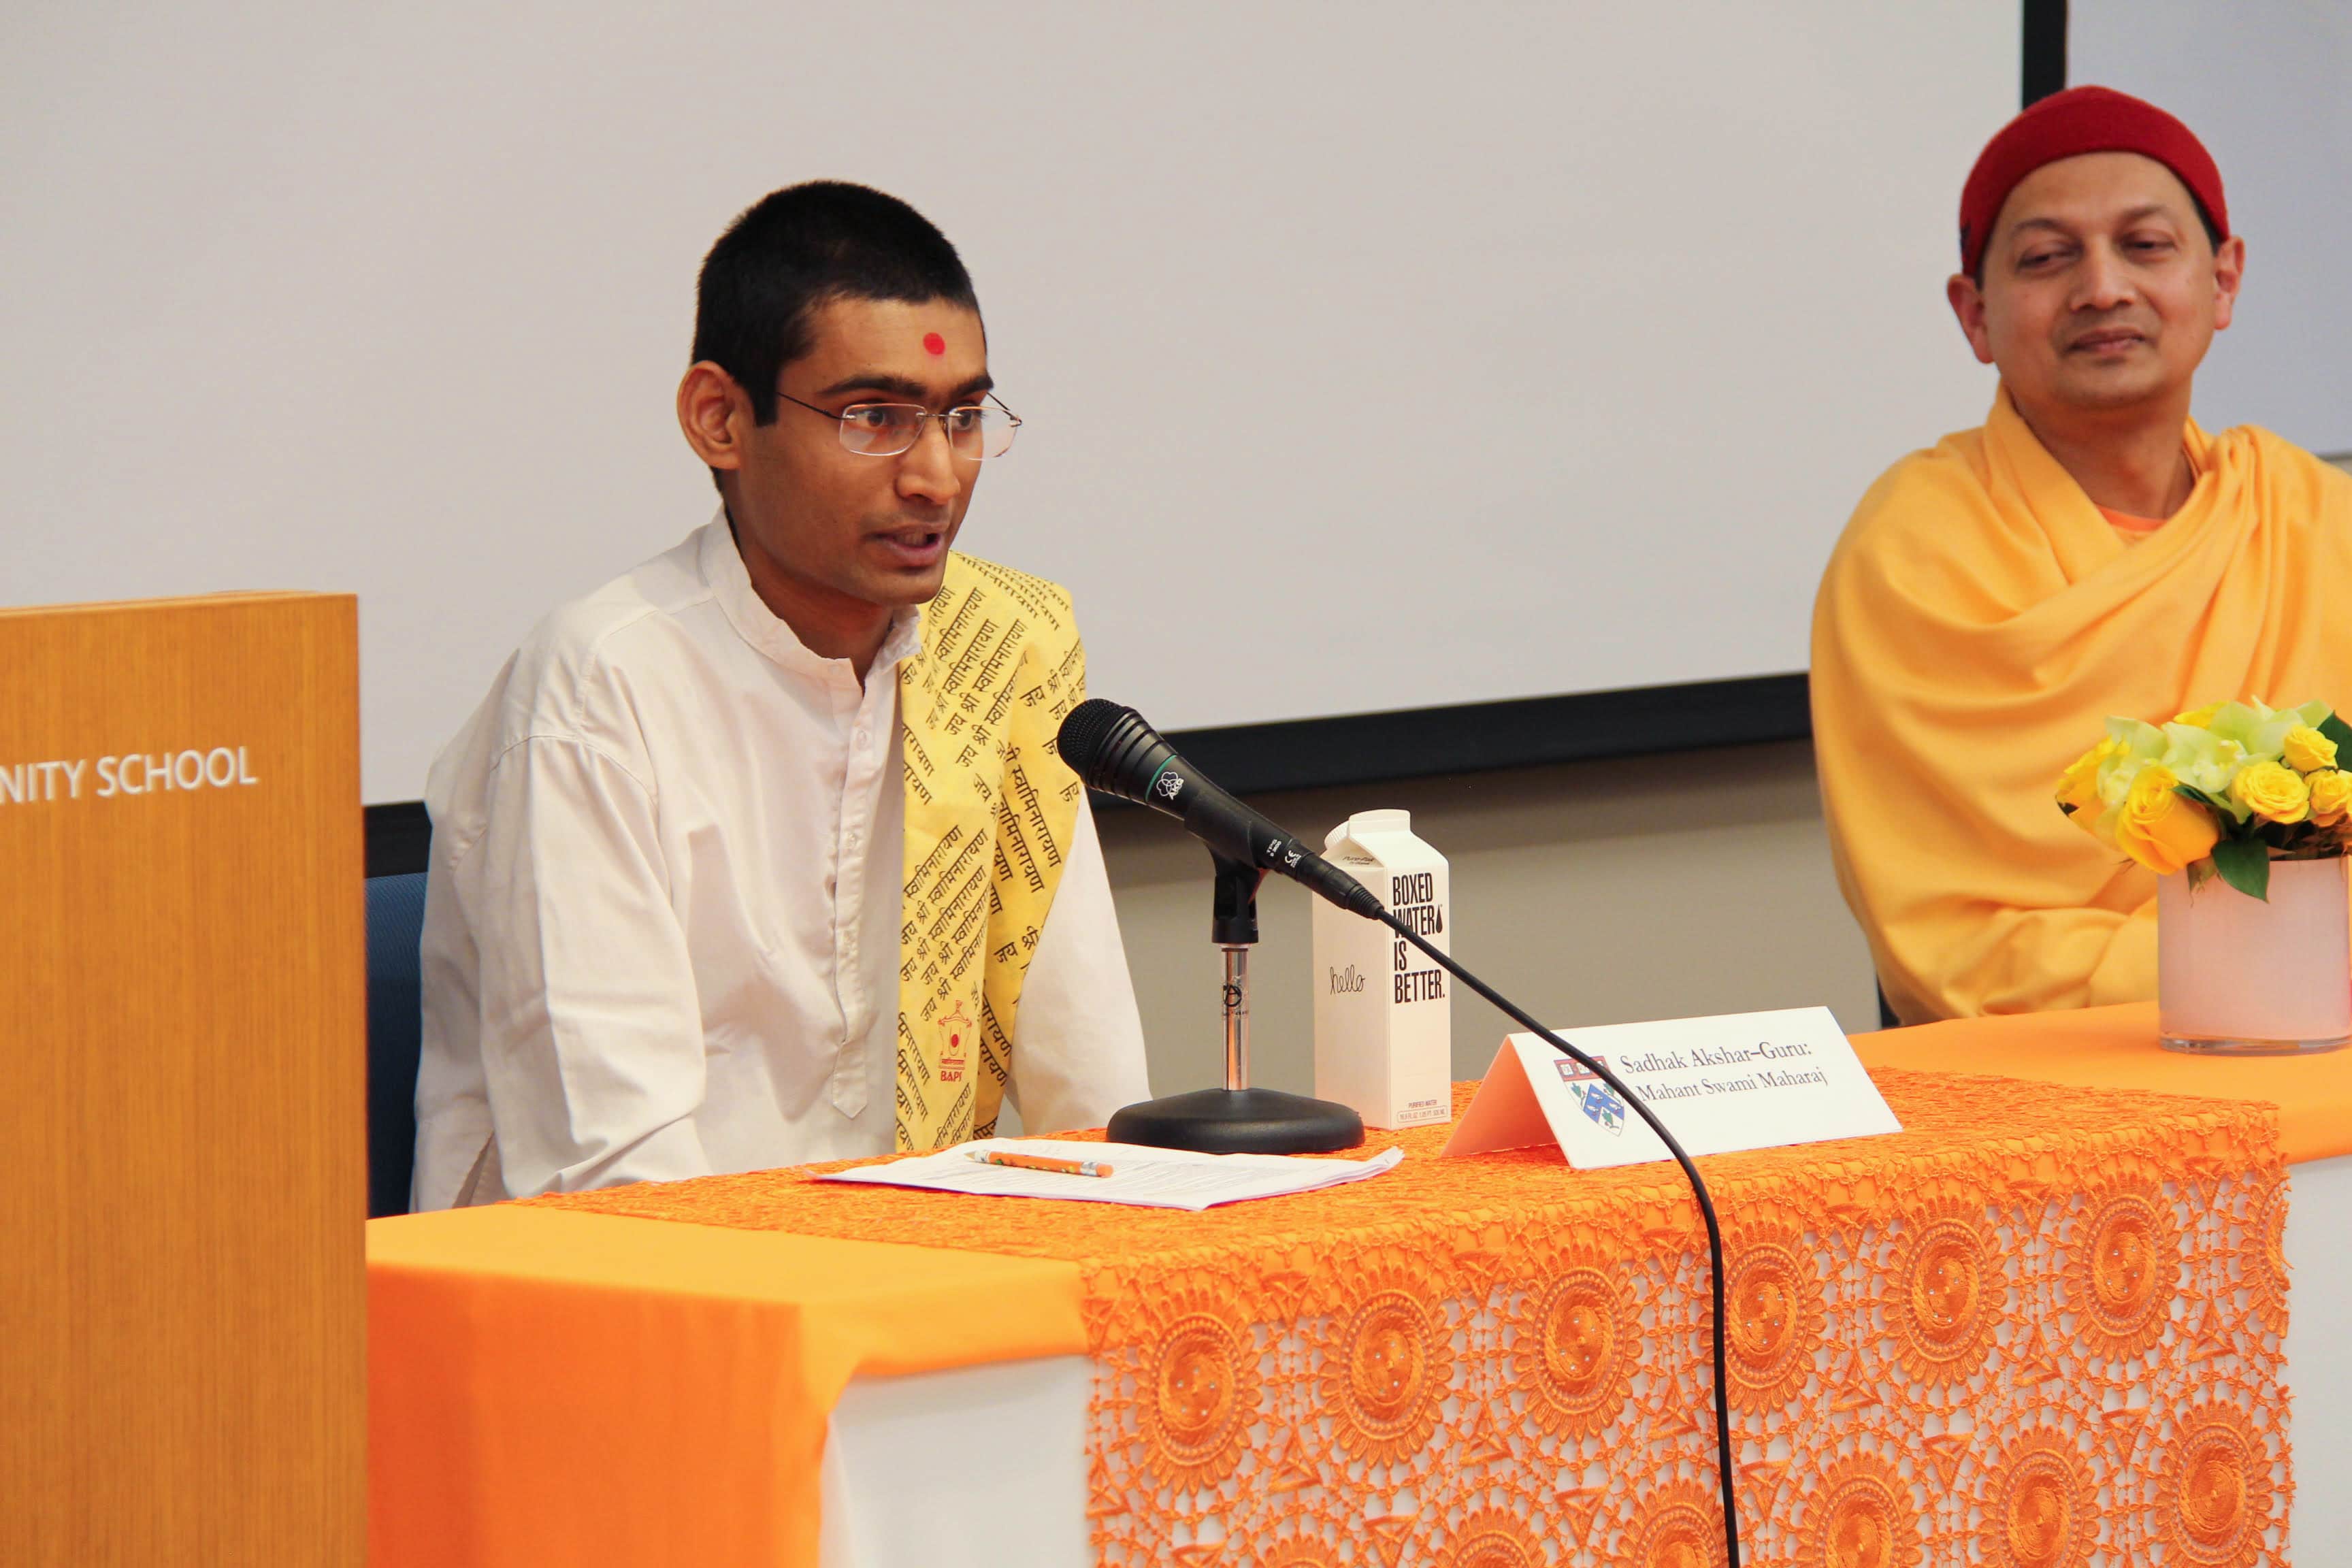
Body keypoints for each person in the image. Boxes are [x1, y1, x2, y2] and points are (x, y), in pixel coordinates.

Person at [412, 182, 1151, 1207]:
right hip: (633, 1283)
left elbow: (1095, 1097)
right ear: (720, 419)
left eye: (963, 417)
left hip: (908, 1270)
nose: (937, 478)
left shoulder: (997, 650)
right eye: (875, 418)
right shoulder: (601, 685)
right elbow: (618, 1178)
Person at [1812, 86, 2352, 1026]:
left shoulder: (2312, 516)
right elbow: (1954, 945)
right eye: (2047, 258)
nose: (2103, 288)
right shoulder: (1915, 550)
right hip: (2043, 1070)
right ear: (1975, 314)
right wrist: (2264, 958)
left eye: (2145, 245)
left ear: (2223, 280)